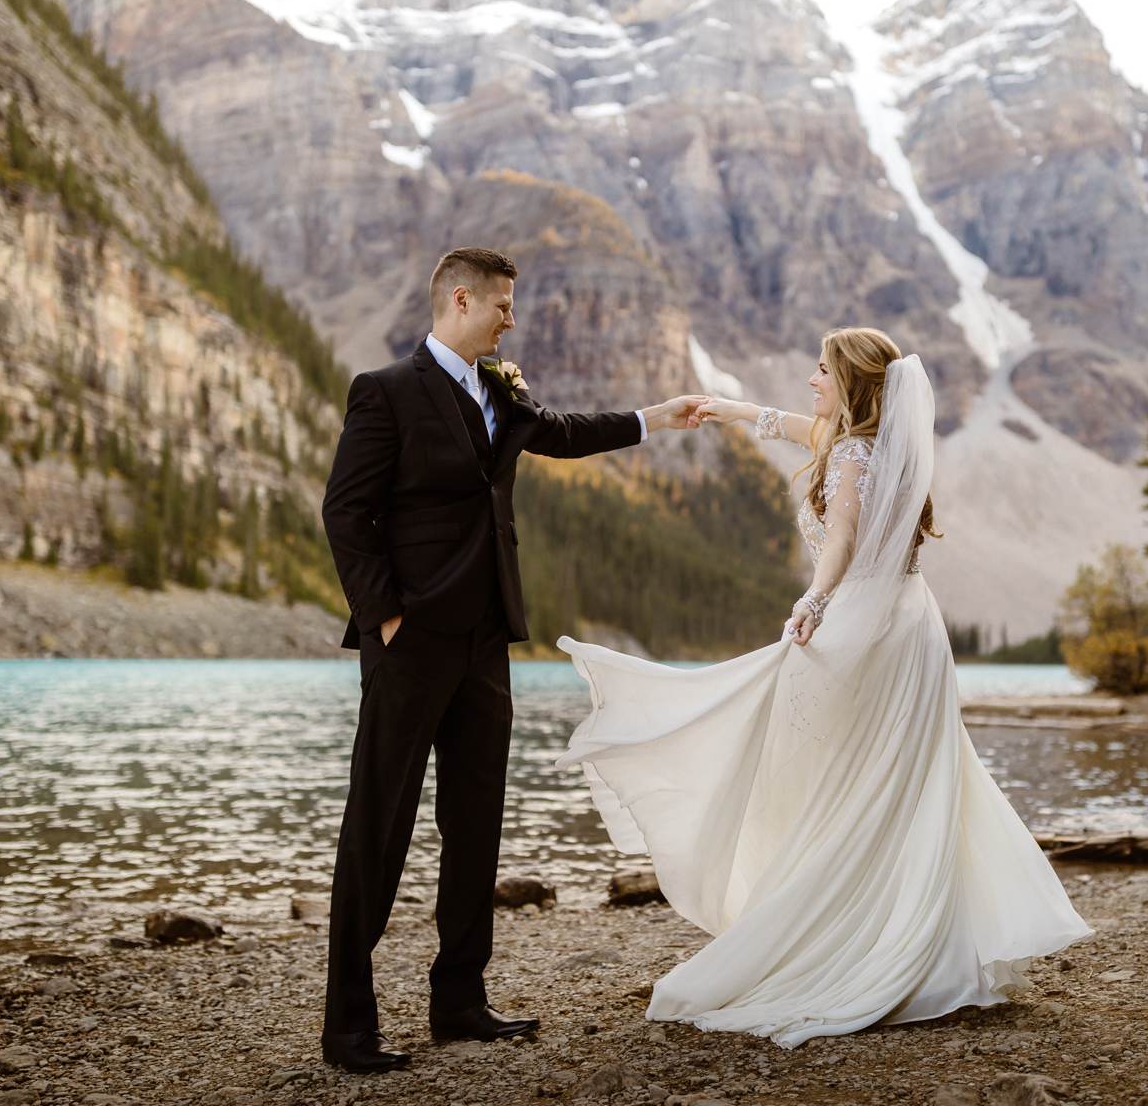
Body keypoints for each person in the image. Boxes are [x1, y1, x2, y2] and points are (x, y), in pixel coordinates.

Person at [554, 325, 1095, 1049]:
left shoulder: (850, 455)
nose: (811, 379)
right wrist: (726, 407)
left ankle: (845, 936)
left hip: (865, 626)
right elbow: (797, 429)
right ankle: (912, 935)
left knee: (846, 779)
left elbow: (839, 540)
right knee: (902, 783)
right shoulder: (877, 448)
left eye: (821, 369)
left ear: (850, 382)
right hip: (911, 627)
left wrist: (812, 601)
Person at [318, 245, 709, 1073]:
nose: (512, 320)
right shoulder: (384, 392)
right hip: (410, 640)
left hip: (487, 640)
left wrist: (653, 417)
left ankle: (459, 1000)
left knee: (475, 822)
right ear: (461, 300)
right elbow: (346, 512)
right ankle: (349, 1024)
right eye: (502, 306)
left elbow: (562, 436)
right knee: (376, 828)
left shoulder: (501, 389)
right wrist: (385, 616)